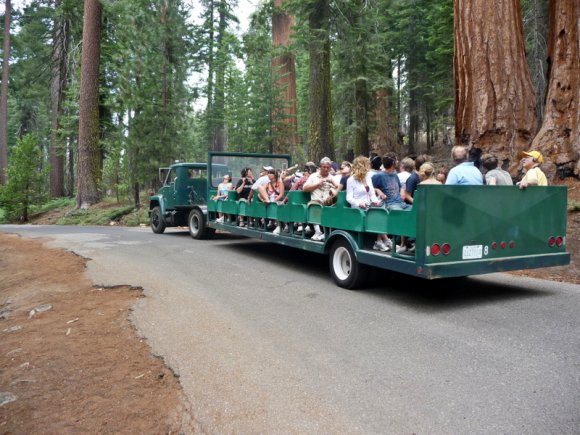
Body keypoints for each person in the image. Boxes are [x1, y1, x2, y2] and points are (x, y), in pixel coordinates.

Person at [347, 156, 386, 251]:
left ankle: (379, 241)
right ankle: (385, 240)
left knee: (382, 211)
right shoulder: (351, 180)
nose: (370, 166)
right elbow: (349, 198)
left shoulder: (368, 177)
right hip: (358, 209)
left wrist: (376, 201)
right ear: (362, 166)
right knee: (376, 215)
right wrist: (359, 203)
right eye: (368, 164)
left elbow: (372, 194)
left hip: (368, 206)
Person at [303, 157, 340, 241]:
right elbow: (304, 188)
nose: (326, 169)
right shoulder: (313, 176)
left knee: (335, 206)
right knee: (314, 205)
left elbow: (339, 189)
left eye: (328, 167)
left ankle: (329, 232)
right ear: (320, 167)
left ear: (330, 168)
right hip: (316, 201)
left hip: (329, 201)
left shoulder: (333, 177)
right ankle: (318, 231)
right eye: (324, 167)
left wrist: (333, 185)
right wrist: (317, 184)